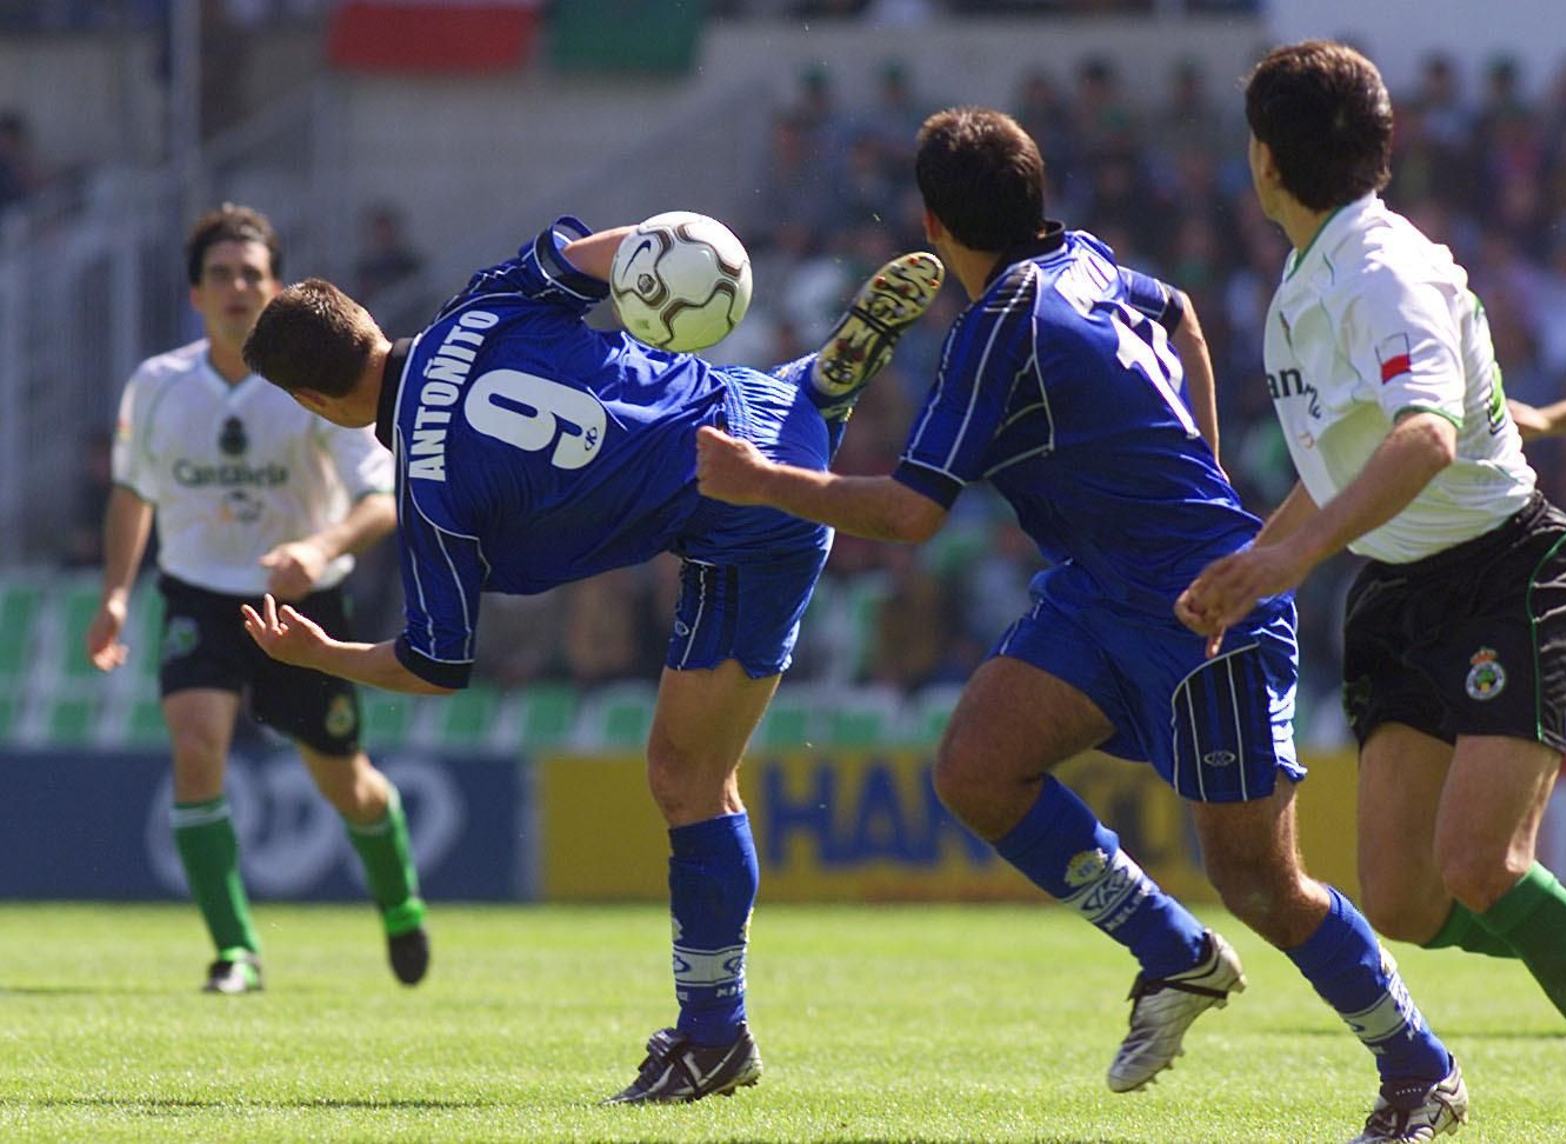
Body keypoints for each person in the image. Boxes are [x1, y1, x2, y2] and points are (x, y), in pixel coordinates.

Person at [695, 106, 1466, 1141]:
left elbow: (911, 515)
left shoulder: (993, 332)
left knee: (1259, 883)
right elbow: (1182, 315)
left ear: (932, 222)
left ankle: (1420, 1067)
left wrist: (760, 481)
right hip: (1100, 592)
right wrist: (1197, 457)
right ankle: (1174, 955)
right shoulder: (1086, 258)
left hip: (1205, 611)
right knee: (976, 767)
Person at [235, 214, 945, 1102]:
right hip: (749, 405)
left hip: (751, 516)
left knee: (686, 781)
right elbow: (616, 249)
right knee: (696, 768)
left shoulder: (432, 491)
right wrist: (673, 257)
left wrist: (323, 654)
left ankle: (713, 1035)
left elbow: (432, 665)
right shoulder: (480, 306)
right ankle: (816, 392)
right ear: (368, 321)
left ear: (312, 401)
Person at [1178, 39, 1566, 1086]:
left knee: (1482, 866)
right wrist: (1253, 560)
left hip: (1506, 574)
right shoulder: (1309, 275)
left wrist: (1292, 560)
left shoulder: (1379, 271)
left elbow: (1424, 440)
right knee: (1406, 900)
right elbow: (1344, 458)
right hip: (1400, 590)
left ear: (1266, 158)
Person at [85, 204, 430, 995]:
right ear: (195, 294)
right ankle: (235, 951)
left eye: (252, 274)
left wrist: (318, 549)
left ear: (275, 289)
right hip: (199, 595)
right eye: (221, 275)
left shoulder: (311, 382)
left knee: (344, 782)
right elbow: (132, 494)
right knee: (195, 745)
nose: (237, 287)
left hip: (302, 609)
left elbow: (380, 500)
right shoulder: (158, 386)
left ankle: (400, 902)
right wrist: (114, 594)